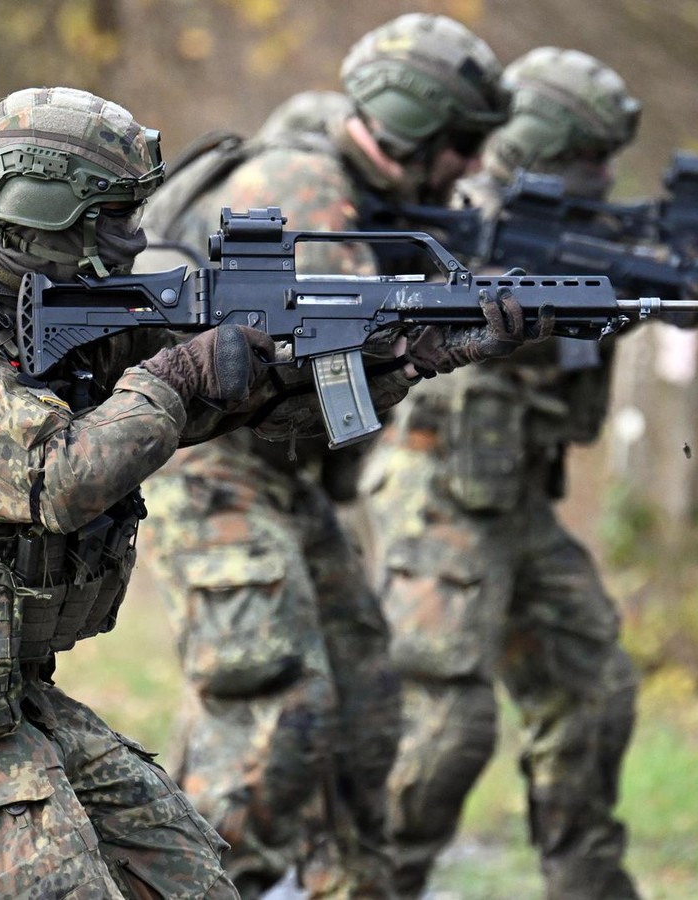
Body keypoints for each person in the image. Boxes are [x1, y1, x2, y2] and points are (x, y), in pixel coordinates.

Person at [0, 84, 528, 899]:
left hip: (10, 694)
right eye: (113, 216)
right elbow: (57, 478)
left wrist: (408, 350)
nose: (137, 238)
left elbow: (260, 407)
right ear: (44, 212)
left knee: (196, 879)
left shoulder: (77, 321)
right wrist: (177, 373)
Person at [135, 14, 508, 896]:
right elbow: (302, 400)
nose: (467, 166)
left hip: (280, 477)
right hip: (218, 464)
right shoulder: (306, 187)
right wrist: (425, 350)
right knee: (275, 723)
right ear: (413, 126)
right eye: (460, 143)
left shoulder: (362, 195)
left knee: (366, 717)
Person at [353, 47, 645, 899]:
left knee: (594, 692)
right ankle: (372, 882)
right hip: (436, 489)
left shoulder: (583, 228)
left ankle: (588, 883)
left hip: (516, 496)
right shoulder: (454, 223)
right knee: (445, 725)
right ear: (545, 141)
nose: (604, 175)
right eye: (590, 156)